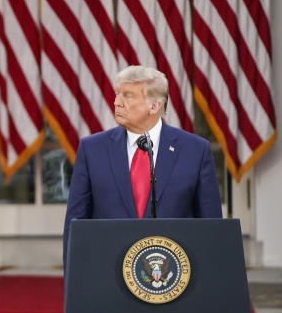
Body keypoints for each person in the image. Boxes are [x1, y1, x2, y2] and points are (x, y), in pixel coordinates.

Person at [62, 65, 222, 268]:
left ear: (154, 106)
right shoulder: (92, 149)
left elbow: (211, 228)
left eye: (127, 96)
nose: (116, 102)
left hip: (173, 278)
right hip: (106, 274)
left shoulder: (195, 150)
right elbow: (74, 226)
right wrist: (74, 288)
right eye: (117, 94)